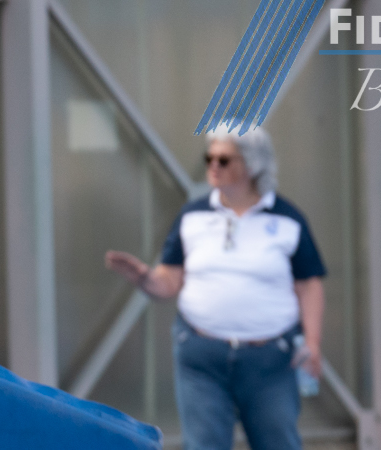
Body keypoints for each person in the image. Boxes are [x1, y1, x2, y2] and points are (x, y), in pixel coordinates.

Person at [106, 126, 325, 450]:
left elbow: (309, 285)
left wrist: (313, 343)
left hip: (270, 359)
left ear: (252, 165)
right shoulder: (192, 215)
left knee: (278, 442)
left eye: (223, 159)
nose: (213, 165)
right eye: (208, 157)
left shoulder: (288, 219)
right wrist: (144, 277)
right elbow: (169, 281)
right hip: (201, 357)